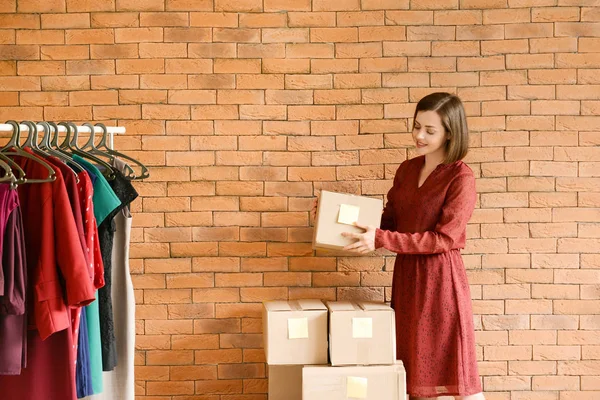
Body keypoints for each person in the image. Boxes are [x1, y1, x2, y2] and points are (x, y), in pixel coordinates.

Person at [312, 92, 485, 400]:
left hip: (441, 280)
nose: (419, 135)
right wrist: (332, 218)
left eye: (430, 130)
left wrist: (380, 239)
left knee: (454, 374)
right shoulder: (406, 170)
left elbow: (443, 239)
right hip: (407, 279)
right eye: (417, 126)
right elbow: (388, 220)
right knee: (410, 373)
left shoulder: (461, 176)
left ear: (451, 133)